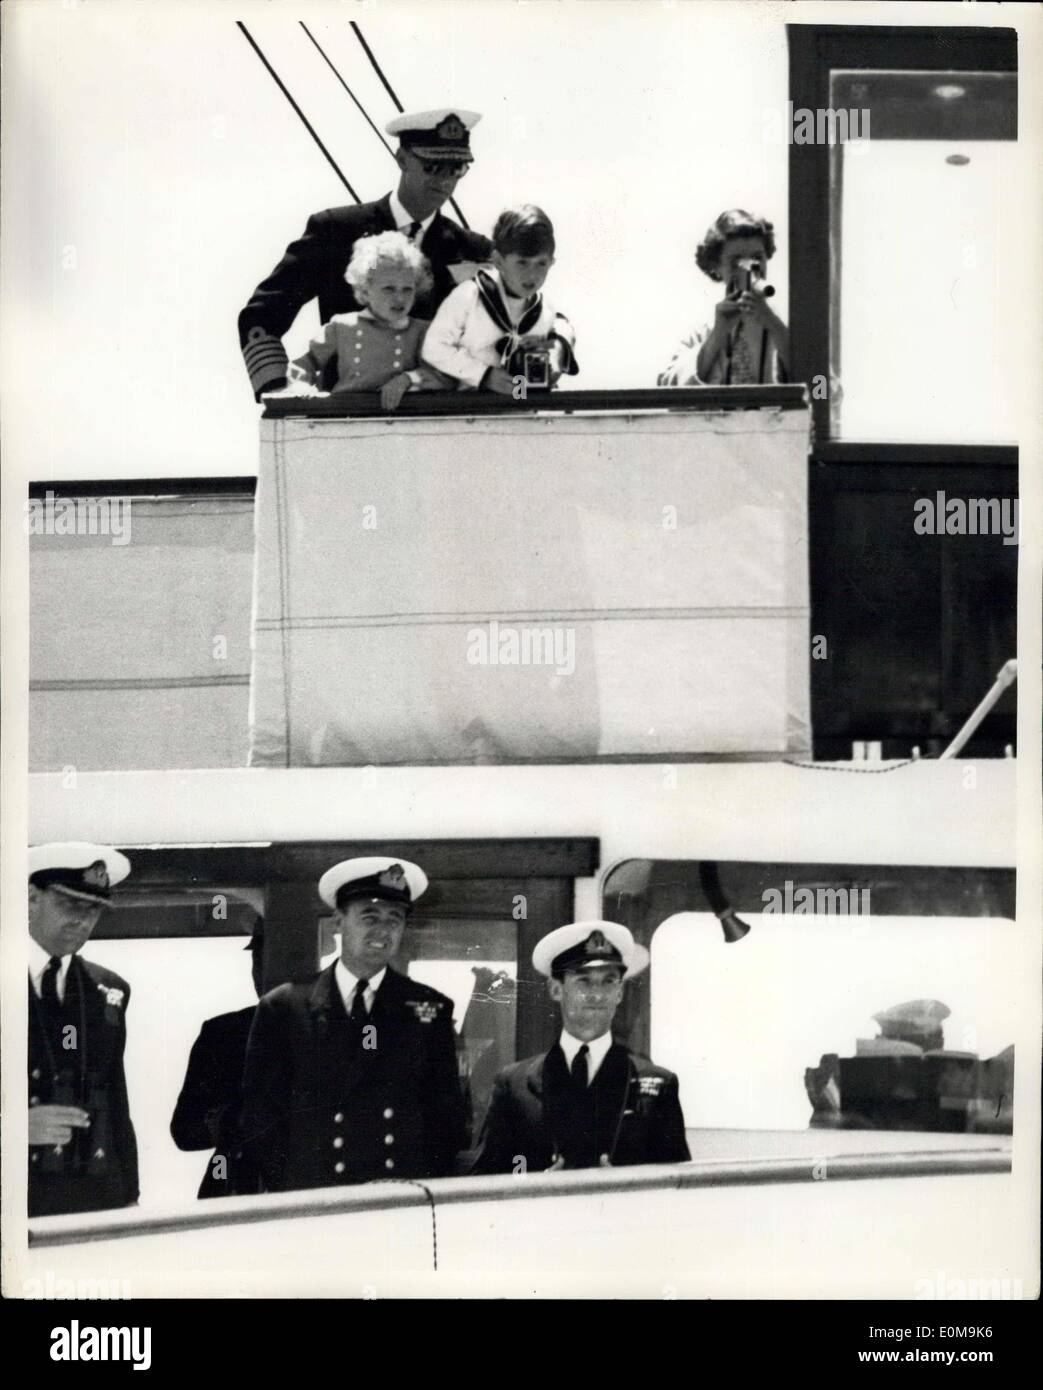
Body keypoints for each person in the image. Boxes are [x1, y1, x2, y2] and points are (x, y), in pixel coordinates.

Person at [241, 857, 467, 1192]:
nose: (382, 929)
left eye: (395, 919)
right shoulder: (285, 1007)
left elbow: (446, 1121)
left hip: (400, 1197)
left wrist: (425, 1192)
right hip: (314, 1198)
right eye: (369, 916)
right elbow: (260, 1118)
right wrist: (289, 1191)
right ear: (337, 922)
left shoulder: (431, 1009)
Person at [238, 108, 492, 398]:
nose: (445, 180)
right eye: (433, 166)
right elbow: (260, 317)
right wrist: (277, 391)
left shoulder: (473, 250)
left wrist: (523, 391)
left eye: (456, 168)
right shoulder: (335, 231)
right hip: (348, 423)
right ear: (402, 159)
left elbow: (506, 340)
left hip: (445, 426)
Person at [470, 921, 690, 1174]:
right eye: (584, 981)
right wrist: (535, 1188)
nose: (597, 995)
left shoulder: (659, 1084)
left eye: (608, 981)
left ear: (619, 993)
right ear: (556, 989)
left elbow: (677, 1189)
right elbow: (484, 1180)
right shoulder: (514, 1085)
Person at [27, 842, 139, 1217]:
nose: (83, 920)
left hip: (92, 1200)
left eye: (93, 910)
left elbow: (116, 1102)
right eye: (71, 905)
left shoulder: (109, 989)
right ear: (30, 899)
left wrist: (130, 1199)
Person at [421, 204, 578, 394]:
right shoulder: (469, 296)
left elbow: (563, 332)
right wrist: (484, 375)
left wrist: (556, 350)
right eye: (522, 262)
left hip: (521, 410)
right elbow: (433, 347)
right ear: (498, 261)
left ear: (551, 263)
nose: (532, 274)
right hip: (469, 411)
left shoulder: (544, 310)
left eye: (541, 263)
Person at [283, 232, 450, 409]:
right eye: (389, 289)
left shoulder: (422, 330)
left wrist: (408, 379)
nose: (400, 298)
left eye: (407, 289)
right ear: (365, 290)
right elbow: (304, 364)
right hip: (346, 413)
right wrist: (299, 386)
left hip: (402, 417)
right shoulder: (341, 326)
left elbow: (446, 376)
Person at [169, 917, 265, 1199]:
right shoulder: (223, 1033)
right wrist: (225, 1121)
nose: (261, 969)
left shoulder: (337, 1026)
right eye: (258, 958)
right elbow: (184, 1132)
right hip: (233, 1182)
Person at [658, 208, 789, 386]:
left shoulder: (791, 323)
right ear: (716, 267)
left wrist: (776, 328)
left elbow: (824, 391)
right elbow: (669, 390)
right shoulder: (702, 332)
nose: (749, 268)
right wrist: (716, 337)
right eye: (736, 262)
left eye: (757, 258)